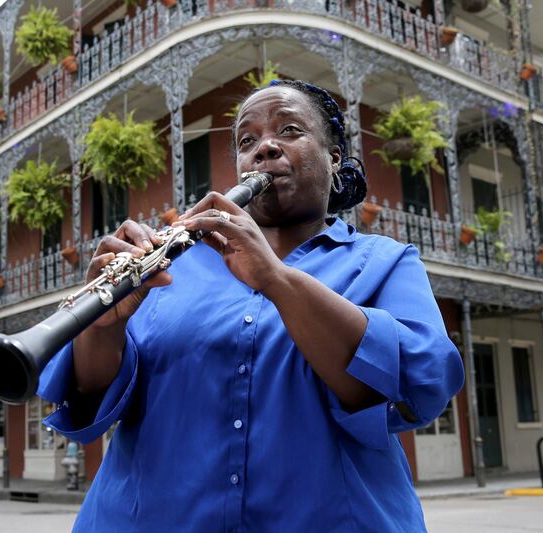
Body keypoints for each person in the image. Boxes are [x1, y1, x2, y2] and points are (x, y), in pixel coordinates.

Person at [38, 80, 465, 532]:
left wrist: (277, 281)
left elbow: (419, 384)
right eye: (247, 141)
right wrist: (101, 327)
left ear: (334, 157)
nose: (264, 148)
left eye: (291, 131)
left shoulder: (387, 261)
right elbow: (91, 400)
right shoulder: (170, 263)